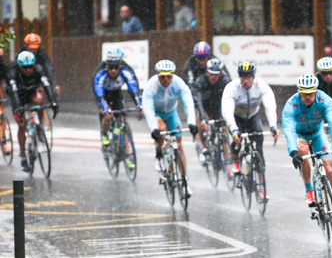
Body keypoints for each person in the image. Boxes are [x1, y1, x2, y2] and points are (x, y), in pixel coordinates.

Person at [283, 74, 332, 230]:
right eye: (304, 93)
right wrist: (293, 152)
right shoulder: (291, 105)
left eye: (310, 93)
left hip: (317, 133)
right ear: (299, 92)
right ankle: (309, 190)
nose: (307, 96)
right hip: (300, 135)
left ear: (316, 91)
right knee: (303, 150)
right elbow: (289, 129)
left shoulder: (324, 99)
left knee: (329, 169)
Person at [142, 59, 198, 197]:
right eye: (162, 76)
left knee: (179, 145)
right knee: (161, 128)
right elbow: (148, 108)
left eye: (168, 76)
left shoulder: (178, 83)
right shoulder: (152, 85)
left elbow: (188, 103)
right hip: (157, 113)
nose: (166, 79)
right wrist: (153, 127)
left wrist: (192, 122)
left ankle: (184, 182)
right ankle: (159, 153)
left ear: (172, 75)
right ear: (158, 75)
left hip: (172, 113)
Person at [221, 61, 278, 179]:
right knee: (237, 141)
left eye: (248, 77)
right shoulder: (232, 88)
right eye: (243, 77)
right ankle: (236, 163)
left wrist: (273, 126)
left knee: (258, 145)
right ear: (239, 77)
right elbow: (227, 111)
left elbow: (270, 107)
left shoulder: (261, 86)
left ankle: (261, 182)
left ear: (253, 77)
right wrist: (234, 129)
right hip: (237, 118)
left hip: (252, 117)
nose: (245, 81)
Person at [7, 51, 59, 172]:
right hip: (18, 97)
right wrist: (19, 108)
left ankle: (39, 127)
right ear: (20, 66)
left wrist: (53, 102)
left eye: (31, 66)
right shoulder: (13, 73)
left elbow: (46, 85)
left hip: (31, 93)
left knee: (40, 103)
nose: (29, 70)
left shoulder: (38, 69)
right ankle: (23, 155)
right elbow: (14, 92)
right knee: (22, 124)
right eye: (25, 67)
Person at [92, 52, 142, 169]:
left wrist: (139, 105)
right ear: (107, 67)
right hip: (103, 95)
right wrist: (105, 108)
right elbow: (99, 95)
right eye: (111, 68)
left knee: (123, 123)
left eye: (116, 68)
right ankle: (104, 135)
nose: (113, 70)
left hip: (116, 95)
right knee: (108, 115)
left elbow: (134, 91)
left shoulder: (126, 73)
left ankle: (128, 155)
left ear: (120, 67)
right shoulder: (100, 75)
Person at [191, 58, 231, 165]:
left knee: (222, 131)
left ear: (221, 74)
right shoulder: (200, 81)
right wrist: (203, 117)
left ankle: (227, 157)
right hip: (205, 106)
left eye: (216, 74)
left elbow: (231, 100)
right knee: (201, 121)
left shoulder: (226, 81)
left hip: (219, 106)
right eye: (211, 74)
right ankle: (203, 144)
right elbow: (198, 102)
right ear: (207, 72)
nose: (213, 77)